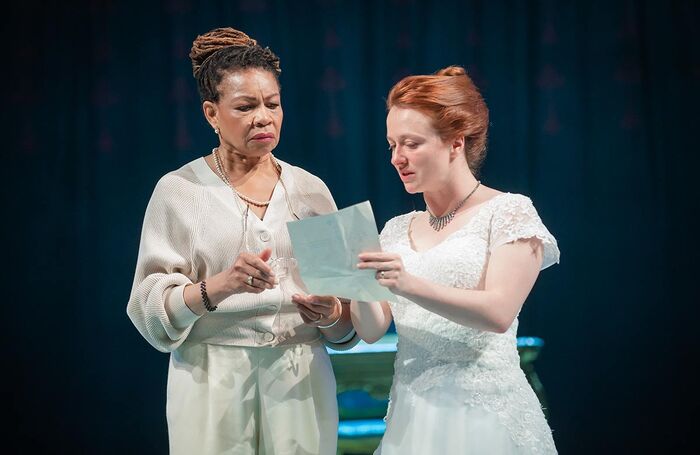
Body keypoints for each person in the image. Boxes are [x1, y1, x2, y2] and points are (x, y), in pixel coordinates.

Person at [126, 27, 357, 455]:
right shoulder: (180, 191)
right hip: (211, 378)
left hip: (299, 379)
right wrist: (220, 285)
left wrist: (331, 312)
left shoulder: (311, 190)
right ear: (212, 114)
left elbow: (349, 329)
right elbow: (147, 311)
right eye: (245, 106)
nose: (264, 117)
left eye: (273, 103)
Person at [351, 66, 560, 454]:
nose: (398, 158)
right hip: (413, 418)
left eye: (412, 144)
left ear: (455, 142)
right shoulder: (396, 229)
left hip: (485, 416)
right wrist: (350, 283)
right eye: (392, 145)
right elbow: (371, 329)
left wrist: (407, 283)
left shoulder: (508, 212)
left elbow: (499, 312)